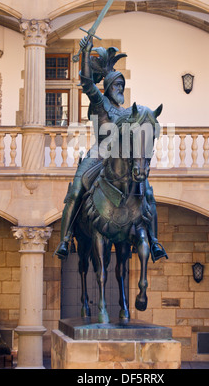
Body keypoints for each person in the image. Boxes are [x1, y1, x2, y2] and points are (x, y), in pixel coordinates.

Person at [54, 36, 167, 263]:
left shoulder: (127, 112)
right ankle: (65, 239)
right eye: (117, 85)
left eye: (122, 86)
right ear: (107, 88)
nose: (120, 89)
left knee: (147, 191)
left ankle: (153, 241)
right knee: (76, 190)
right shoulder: (100, 103)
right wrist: (85, 55)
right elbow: (86, 82)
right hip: (98, 153)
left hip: (121, 158)